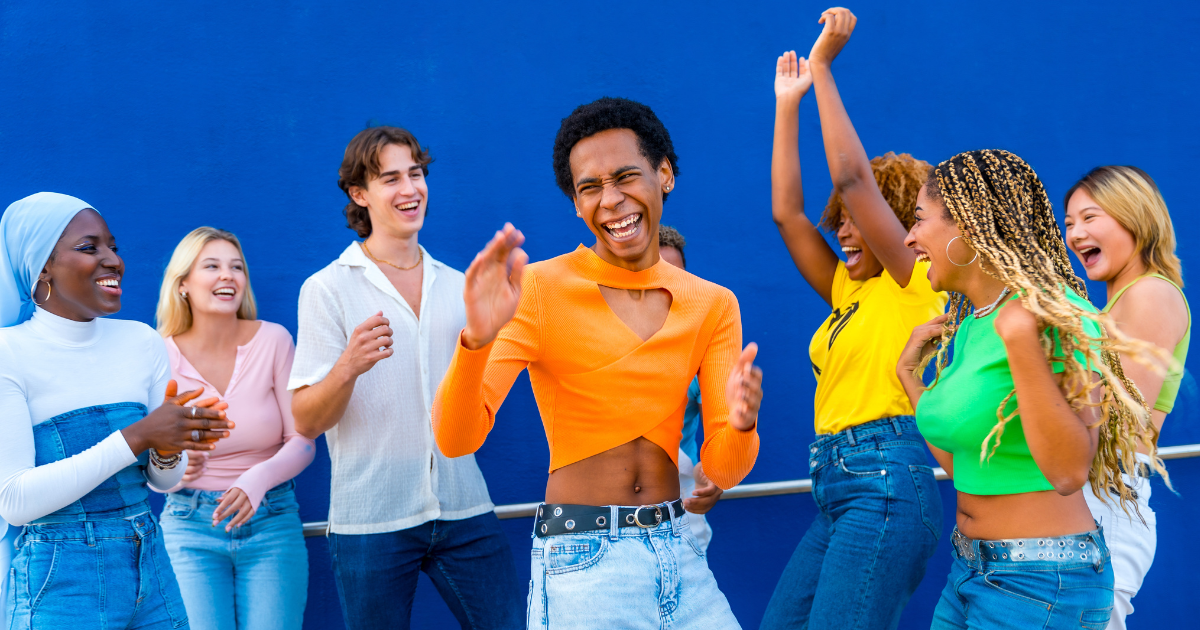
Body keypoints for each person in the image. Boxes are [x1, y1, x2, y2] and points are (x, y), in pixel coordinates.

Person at [433, 96, 764, 630]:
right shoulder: (539, 289)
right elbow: (456, 439)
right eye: (589, 187)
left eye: (626, 176)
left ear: (665, 175)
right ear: (576, 203)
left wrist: (742, 424)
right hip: (584, 563)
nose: (610, 200)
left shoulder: (713, 303)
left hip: (678, 550)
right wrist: (475, 339)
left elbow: (724, 468)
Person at [897, 150, 1167, 629]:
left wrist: (1021, 339)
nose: (910, 237)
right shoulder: (970, 326)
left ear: (967, 225)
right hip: (968, 571)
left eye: (919, 221)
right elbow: (967, 465)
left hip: (1042, 581)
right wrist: (909, 378)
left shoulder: (1056, 314)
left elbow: (1068, 472)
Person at [288, 126, 522, 630]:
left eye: (415, 174)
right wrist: (347, 366)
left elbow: (480, 401)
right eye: (390, 178)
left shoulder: (460, 287)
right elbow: (306, 420)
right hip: (371, 522)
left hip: (465, 507)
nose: (409, 189)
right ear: (359, 194)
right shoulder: (326, 289)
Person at [759, 9, 946, 630]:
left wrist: (823, 70)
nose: (842, 228)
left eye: (857, 217)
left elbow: (852, 174)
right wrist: (788, 105)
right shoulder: (847, 289)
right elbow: (788, 215)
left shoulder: (911, 279)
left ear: (897, 224)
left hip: (888, 480)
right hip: (835, 486)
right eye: (838, 217)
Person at [0, 192, 233, 628]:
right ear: (42, 267)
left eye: (113, 246)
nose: (113, 260)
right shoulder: (8, 354)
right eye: (90, 248)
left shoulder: (140, 341)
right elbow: (14, 501)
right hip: (59, 584)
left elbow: (164, 481)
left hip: (151, 566)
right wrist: (139, 435)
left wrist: (169, 444)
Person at [156, 227, 316, 630]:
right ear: (183, 286)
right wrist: (174, 468)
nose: (228, 276)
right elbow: (149, 467)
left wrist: (256, 480)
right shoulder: (157, 355)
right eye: (212, 266)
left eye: (237, 267)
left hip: (272, 521)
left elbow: (303, 440)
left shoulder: (274, 341)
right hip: (189, 528)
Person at [1063, 166, 1188, 630]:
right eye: (1070, 222)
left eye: (1090, 218)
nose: (1075, 234)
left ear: (1133, 217)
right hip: (1093, 499)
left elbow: (1113, 420)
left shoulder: (1151, 294)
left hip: (1107, 499)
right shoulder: (1113, 305)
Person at [658, 225, 723, 551]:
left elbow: (722, 428)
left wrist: (715, 470)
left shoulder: (702, 350)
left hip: (681, 508)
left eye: (678, 277)